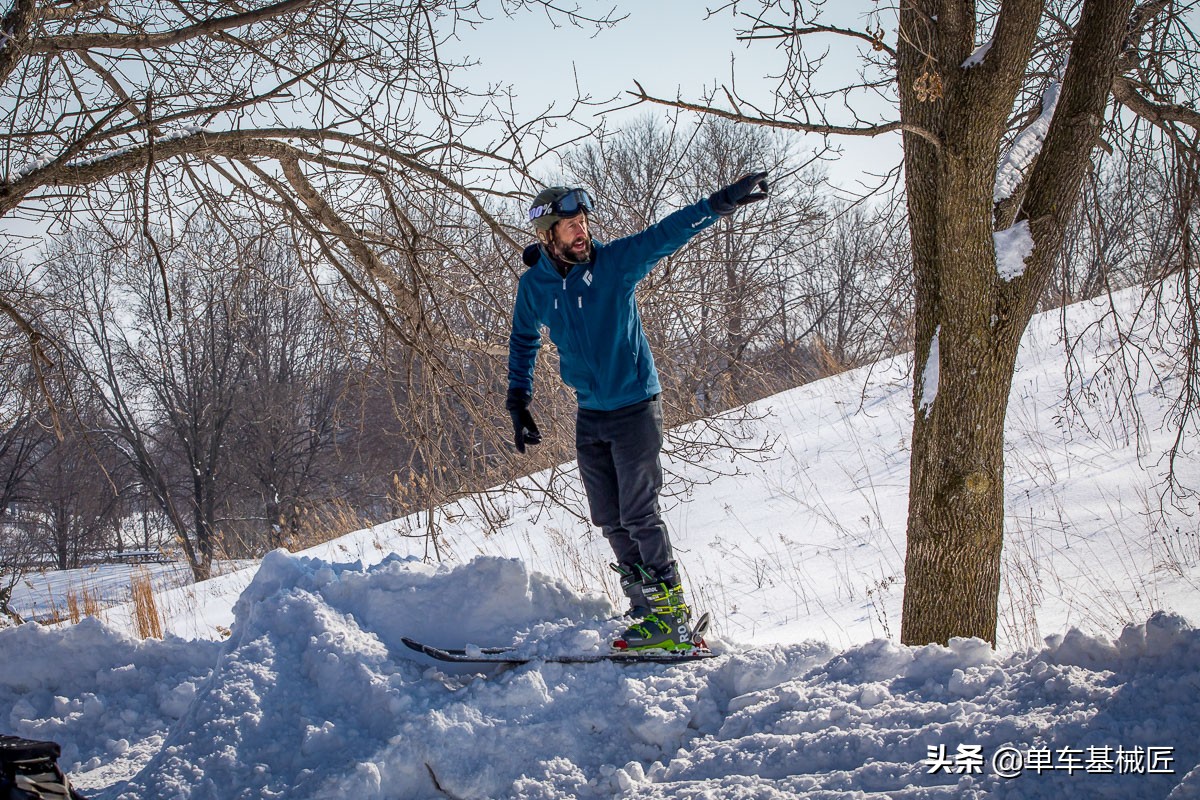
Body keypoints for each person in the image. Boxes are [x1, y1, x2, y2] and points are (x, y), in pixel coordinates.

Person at [505, 173, 769, 650]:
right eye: (570, 225)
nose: (581, 230)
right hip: (590, 413)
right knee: (609, 516)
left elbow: (667, 233)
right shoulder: (535, 286)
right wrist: (518, 399)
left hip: (635, 407)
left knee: (639, 513)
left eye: (583, 221)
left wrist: (719, 203)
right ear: (548, 235)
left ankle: (671, 616)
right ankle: (645, 605)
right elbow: (524, 339)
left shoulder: (614, 264)